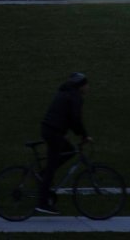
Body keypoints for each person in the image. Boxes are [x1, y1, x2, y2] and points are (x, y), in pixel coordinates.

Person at [36, 72, 92, 215]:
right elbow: (75, 119)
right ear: (80, 85)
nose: (88, 87)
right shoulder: (75, 97)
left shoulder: (64, 92)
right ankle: (42, 203)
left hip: (49, 130)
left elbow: (68, 117)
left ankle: (43, 176)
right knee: (51, 167)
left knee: (69, 150)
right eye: (86, 84)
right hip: (54, 132)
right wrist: (84, 135)